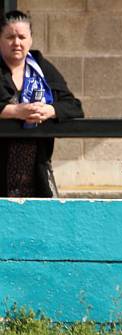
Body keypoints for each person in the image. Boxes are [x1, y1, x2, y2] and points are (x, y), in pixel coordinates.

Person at [0, 10, 83, 197]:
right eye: (10, 37)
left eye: (22, 37)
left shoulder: (42, 68)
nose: (17, 43)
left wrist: (50, 110)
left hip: (36, 167)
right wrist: (15, 111)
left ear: (30, 39)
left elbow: (74, 106)